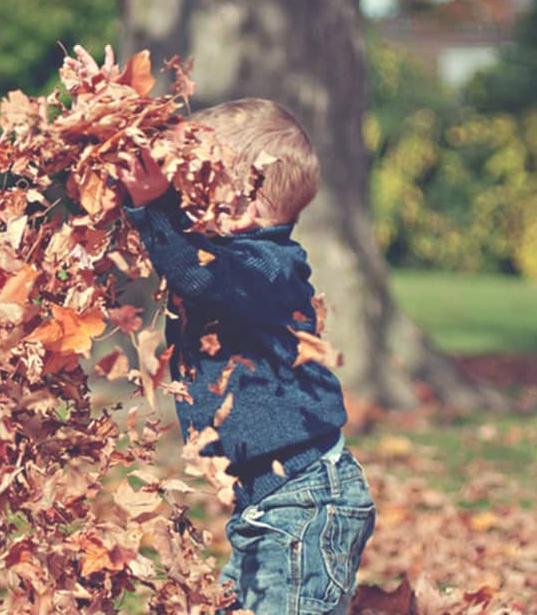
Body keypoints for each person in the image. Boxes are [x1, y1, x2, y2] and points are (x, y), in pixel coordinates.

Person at [118, 98, 375, 614]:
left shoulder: (267, 268)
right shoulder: (239, 263)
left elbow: (198, 272)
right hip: (268, 506)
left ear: (246, 202)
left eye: (198, 187)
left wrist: (153, 208)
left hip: (302, 507)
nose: (186, 201)